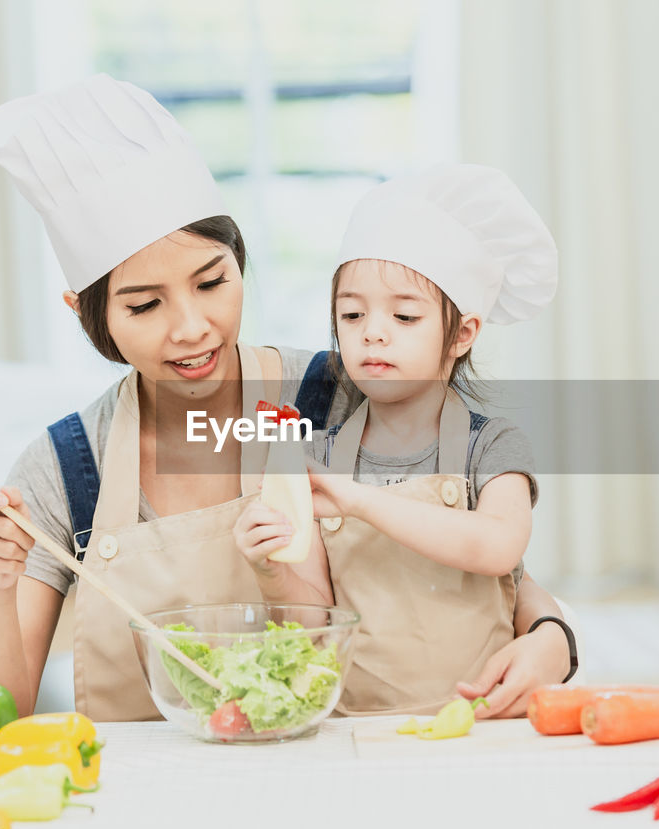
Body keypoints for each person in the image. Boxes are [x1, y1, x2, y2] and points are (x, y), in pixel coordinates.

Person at [0, 75, 575, 721]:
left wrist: (554, 641)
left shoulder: (343, 395)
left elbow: (493, 575)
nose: (192, 326)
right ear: (89, 313)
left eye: (212, 280)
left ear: (240, 263)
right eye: (144, 304)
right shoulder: (66, 469)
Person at [235, 165, 574, 714]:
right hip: (355, 732)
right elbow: (315, 624)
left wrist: (358, 499)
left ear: (462, 333)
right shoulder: (320, 454)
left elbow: (497, 547)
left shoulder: (493, 446)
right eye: (351, 313)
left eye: (404, 315)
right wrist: (272, 570)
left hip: (479, 723)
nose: (373, 330)